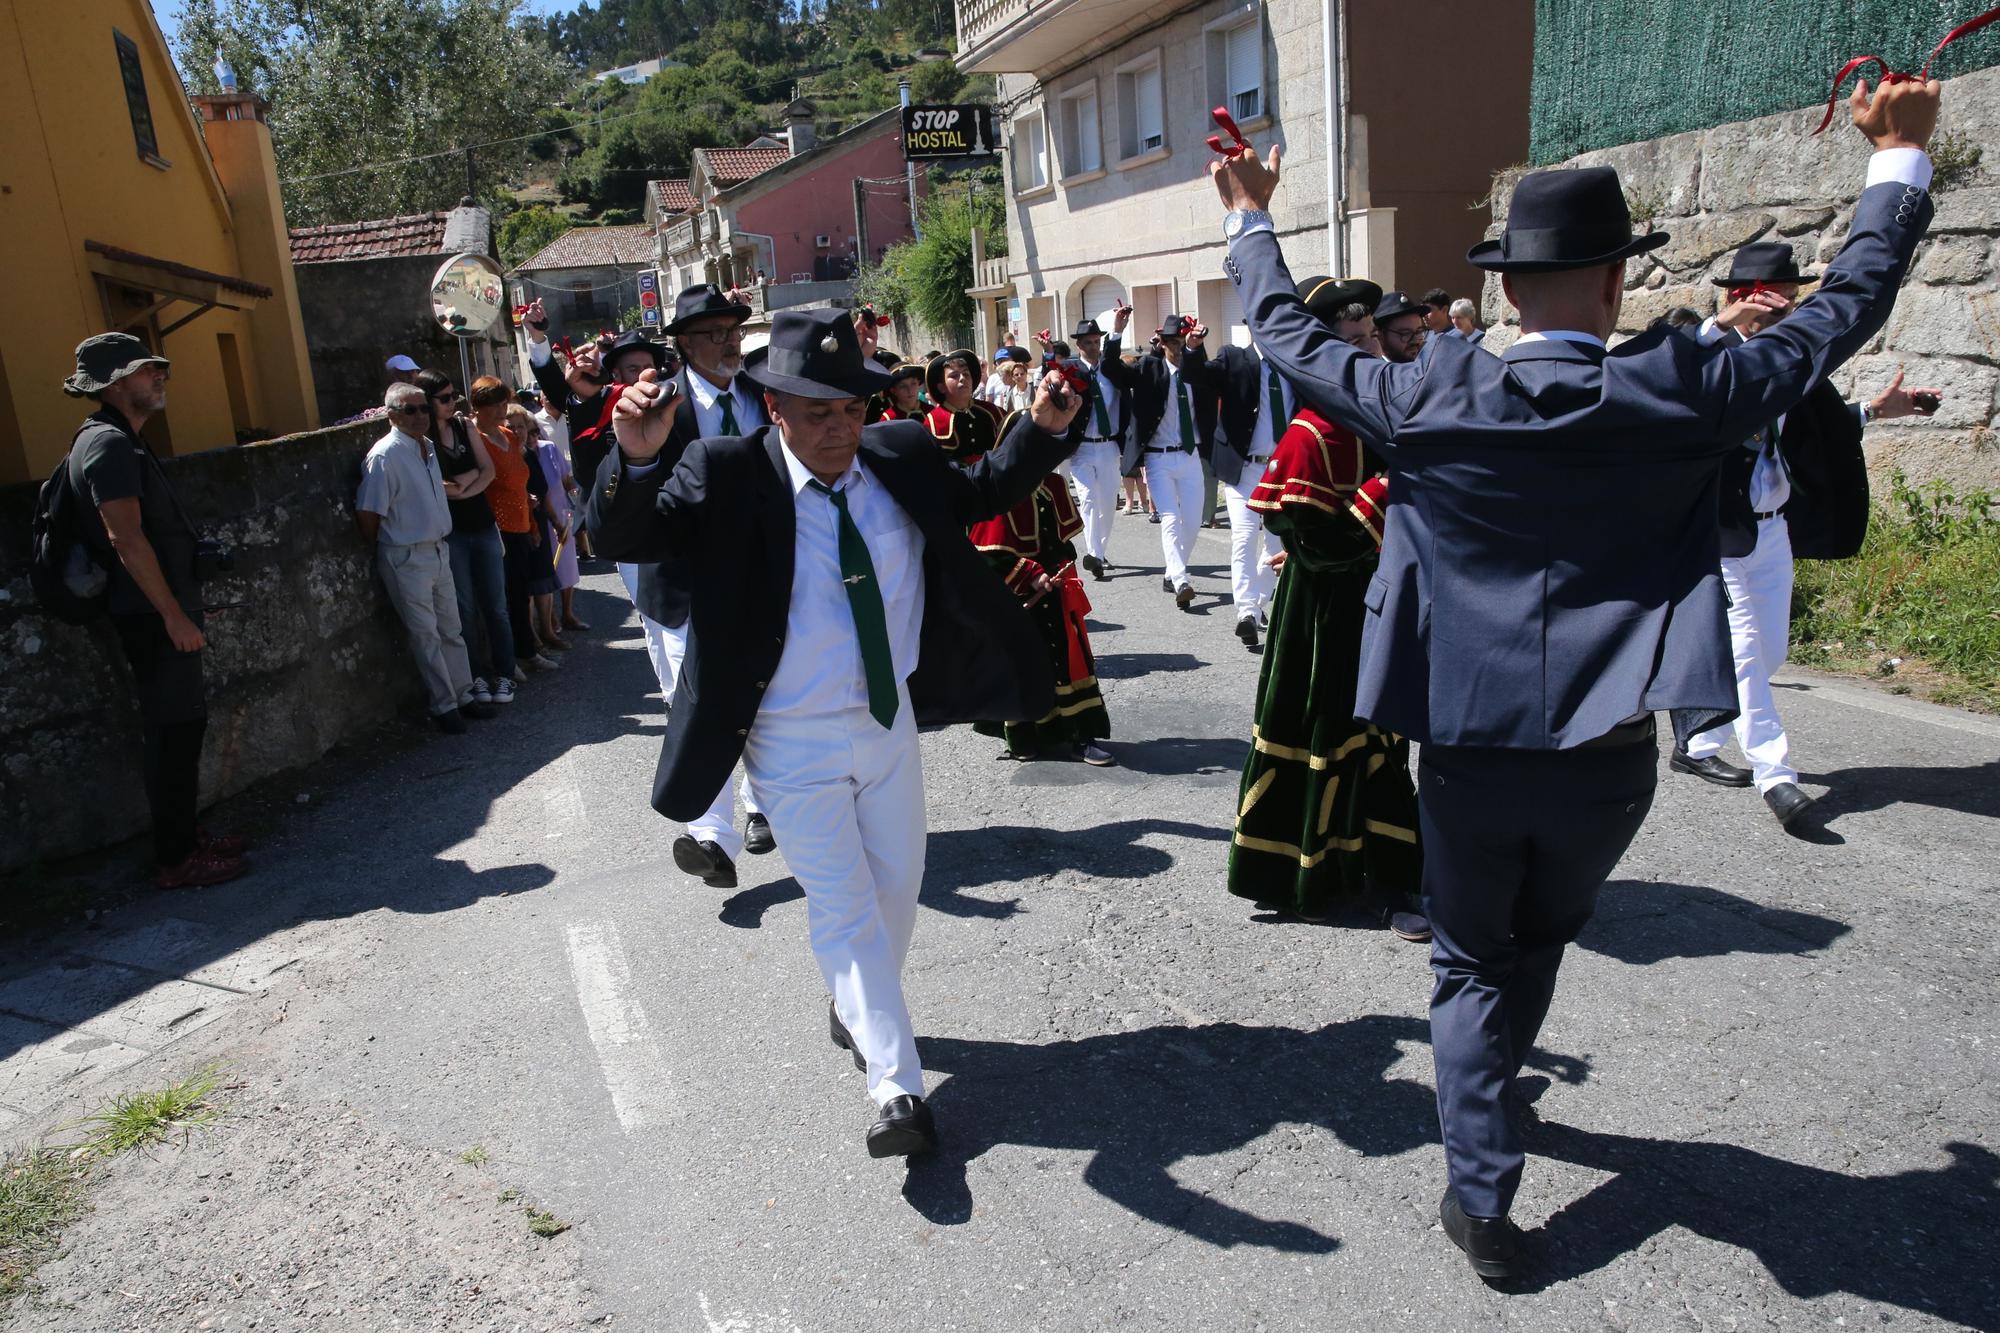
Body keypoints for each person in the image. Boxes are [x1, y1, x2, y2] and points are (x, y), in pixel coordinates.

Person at [1211, 72, 1940, 1278]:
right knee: (1539, 937)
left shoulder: (1427, 389)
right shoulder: (1682, 387)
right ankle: (1491, 1105)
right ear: (1614, 283)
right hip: (1607, 757)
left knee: (1464, 959)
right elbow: (1841, 311)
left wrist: (1251, 218)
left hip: (1462, 749)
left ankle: (1482, 1193)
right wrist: (1896, 162)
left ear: (1502, 285)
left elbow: (1284, 335)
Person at [588, 307, 1084, 1157]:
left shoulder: (898, 457)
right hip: (788, 738)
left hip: (889, 727)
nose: (839, 428)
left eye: (851, 408)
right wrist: (634, 457)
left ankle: (853, 1002)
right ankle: (898, 1088)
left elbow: (981, 493)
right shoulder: (724, 471)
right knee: (847, 906)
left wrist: (1039, 430)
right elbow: (623, 535)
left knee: (898, 891)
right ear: (774, 407)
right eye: (817, 412)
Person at [1669, 241, 1944, 824]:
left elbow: (1817, 423)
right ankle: (1778, 776)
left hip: (1772, 532)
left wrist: (1875, 411)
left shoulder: (1794, 360)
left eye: (1795, 302)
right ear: (1745, 300)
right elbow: (1666, 381)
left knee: (1767, 652)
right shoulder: (1711, 361)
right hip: (1718, 536)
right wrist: (1717, 328)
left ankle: (1696, 744)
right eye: (1781, 303)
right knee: (1744, 653)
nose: (1792, 314)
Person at [1227, 277, 1427, 939]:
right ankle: (1312, 873)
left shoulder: (1393, 412)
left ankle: (1394, 874)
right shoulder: (1312, 433)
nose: (1369, 350)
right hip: (1326, 622)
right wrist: (1385, 491)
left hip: (1390, 605)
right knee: (1333, 737)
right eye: (1354, 342)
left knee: (1388, 744)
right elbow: (1318, 546)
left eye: (1372, 336)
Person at [63, 333, 248, 888]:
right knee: (173, 735)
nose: (160, 376)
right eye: (148, 371)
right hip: (149, 618)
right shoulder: (109, 445)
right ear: (118, 383)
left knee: (182, 728)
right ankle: (175, 859)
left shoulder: (122, 440)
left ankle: (186, 838)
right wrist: (172, 614)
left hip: (158, 611)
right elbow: (127, 539)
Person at [356, 384, 497, 734]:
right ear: (391, 415)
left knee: (451, 629)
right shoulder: (385, 455)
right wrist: (386, 547)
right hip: (406, 554)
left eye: (422, 408)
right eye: (410, 410)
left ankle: (464, 696)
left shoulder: (428, 447)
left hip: (437, 548)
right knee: (425, 635)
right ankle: (444, 704)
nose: (420, 416)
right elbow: (368, 511)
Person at [1185, 323, 1293, 647]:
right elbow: (1199, 376)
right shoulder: (1233, 358)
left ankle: (1258, 603)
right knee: (1244, 537)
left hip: (1282, 470)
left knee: (1277, 546)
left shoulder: (1292, 365)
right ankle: (1246, 612)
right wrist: (1192, 350)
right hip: (1245, 469)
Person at [414, 369, 515, 701]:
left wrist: (460, 487)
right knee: (464, 609)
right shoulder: (422, 439)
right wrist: (465, 482)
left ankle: (505, 673)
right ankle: (476, 677)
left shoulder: (463, 425)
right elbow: (435, 486)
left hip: (483, 526)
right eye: (443, 398)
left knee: (496, 606)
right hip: (452, 533)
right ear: (427, 402)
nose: (451, 402)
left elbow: (488, 470)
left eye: (453, 395)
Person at [469, 376, 559, 674]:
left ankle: (526, 652)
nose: (500, 410)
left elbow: (521, 485)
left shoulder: (508, 436)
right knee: (501, 600)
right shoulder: (475, 439)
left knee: (520, 595)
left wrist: (533, 523)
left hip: (521, 525)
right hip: (496, 530)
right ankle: (507, 660)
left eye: (503, 403)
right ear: (477, 407)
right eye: (493, 405)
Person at [1124, 316, 1215, 608]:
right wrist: (1116, 332)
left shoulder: (1195, 372)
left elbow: (1210, 384)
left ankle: (1171, 572)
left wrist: (1195, 348)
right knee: (1171, 519)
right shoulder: (1150, 368)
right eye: (1171, 342)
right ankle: (1180, 580)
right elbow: (1116, 371)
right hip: (1158, 457)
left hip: (1189, 456)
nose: (1176, 348)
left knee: (1192, 522)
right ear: (1162, 344)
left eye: (1180, 342)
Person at [1067, 310, 1137, 580]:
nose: (1093, 347)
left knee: (1108, 502)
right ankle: (1094, 554)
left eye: (1097, 342)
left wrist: (1118, 330)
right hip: (1082, 448)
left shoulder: (1110, 372)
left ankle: (1099, 551)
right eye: (1087, 343)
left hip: (1109, 446)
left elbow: (1115, 362)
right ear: (1079, 346)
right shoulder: (1072, 372)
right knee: (1088, 499)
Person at [512, 402, 579, 650]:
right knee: (529, 585)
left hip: (541, 519)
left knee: (546, 578)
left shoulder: (533, 454)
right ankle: (535, 636)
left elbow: (546, 491)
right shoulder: (507, 454)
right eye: (513, 427)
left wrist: (555, 520)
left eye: (523, 427)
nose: (519, 432)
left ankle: (549, 630)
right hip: (519, 525)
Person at [1373, 290, 1430, 364]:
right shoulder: (1374, 373)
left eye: (1419, 331)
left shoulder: (1428, 369)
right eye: (1406, 334)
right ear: (1380, 336)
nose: (1416, 341)